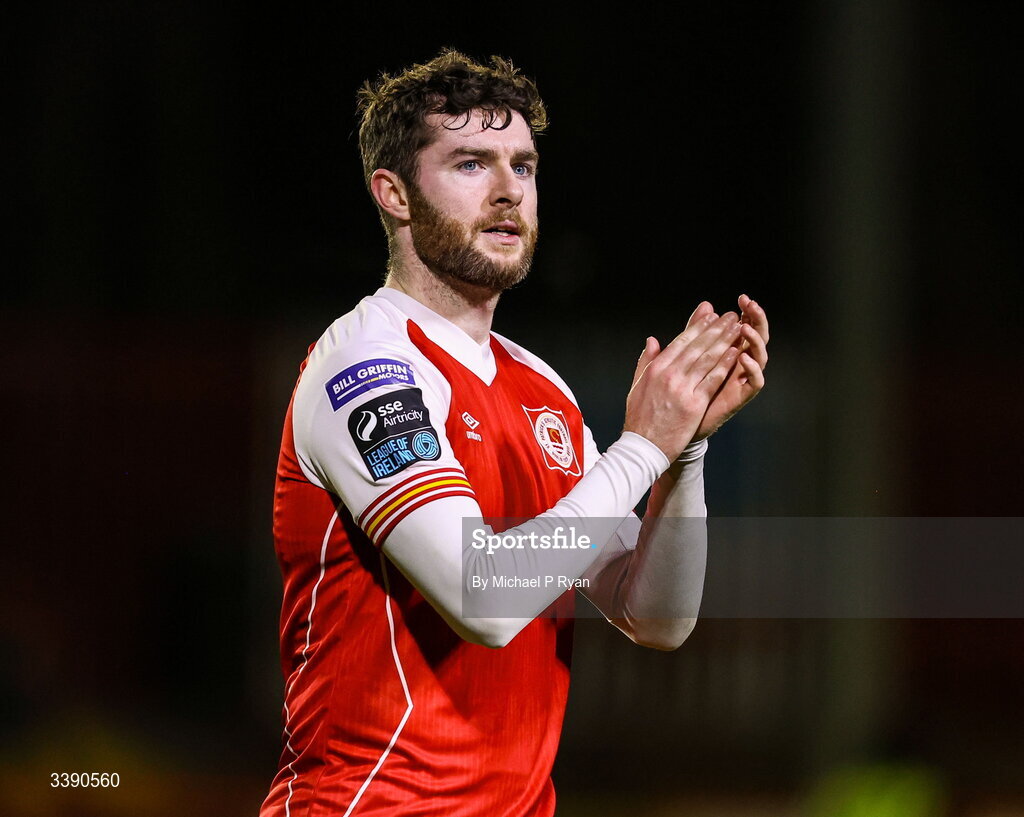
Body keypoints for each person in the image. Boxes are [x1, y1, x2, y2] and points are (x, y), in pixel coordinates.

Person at [260, 48, 769, 817]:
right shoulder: (364, 365)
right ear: (393, 194)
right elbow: (484, 595)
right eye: (470, 164)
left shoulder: (542, 390)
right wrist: (642, 446)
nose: (508, 192)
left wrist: (682, 452)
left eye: (523, 167)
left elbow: (655, 616)